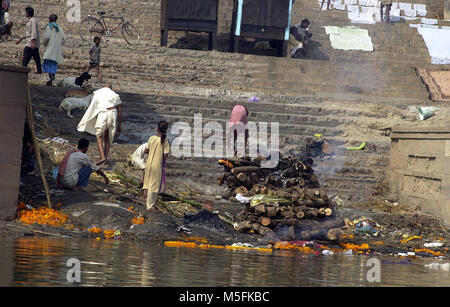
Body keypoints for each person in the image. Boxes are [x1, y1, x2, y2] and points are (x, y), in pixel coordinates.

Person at [77, 84, 122, 165]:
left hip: (104, 114)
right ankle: (105, 156)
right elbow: (120, 112)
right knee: (108, 137)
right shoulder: (115, 95)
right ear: (110, 89)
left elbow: (93, 107)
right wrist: (119, 125)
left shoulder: (98, 93)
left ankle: (102, 157)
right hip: (113, 113)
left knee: (99, 136)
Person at [142, 120, 170, 211]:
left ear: (157, 128)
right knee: (153, 186)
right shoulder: (165, 141)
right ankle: (150, 206)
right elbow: (165, 154)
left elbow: (146, 150)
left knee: (148, 182)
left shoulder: (152, 138)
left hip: (149, 164)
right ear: (166, 130)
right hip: (157, 166)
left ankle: (148, 201)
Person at [16, 6, 42, 74]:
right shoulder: (29, 21)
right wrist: (20, 39)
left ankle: (23, 70)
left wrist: (33, 42)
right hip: (32, 42)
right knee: (36, 57)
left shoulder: (33, 21)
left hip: (31, 42)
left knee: (26, 57)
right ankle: (39, 70)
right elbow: (28, 33)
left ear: (28, 13)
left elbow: (33, 31)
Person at [42, 14, 66, 86]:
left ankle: (51, 76)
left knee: (48, 63)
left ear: (50, 19)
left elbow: (47, 37)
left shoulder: (49, 27)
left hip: (50, 48)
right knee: (54, 64)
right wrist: (58, 44)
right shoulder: (60, 28)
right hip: (56, 50)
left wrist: (45, 43)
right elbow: (64, 39)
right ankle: (51, 78)